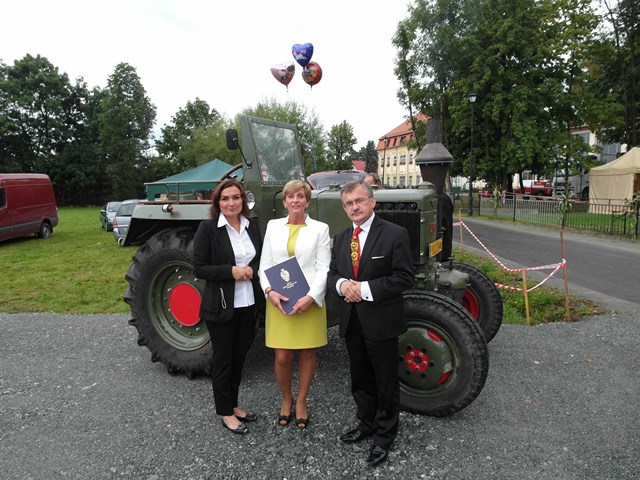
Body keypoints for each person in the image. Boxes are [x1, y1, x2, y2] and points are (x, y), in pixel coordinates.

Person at [327, 180, 414, 467]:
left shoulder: (394, 234)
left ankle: (384, 436)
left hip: (382, 322)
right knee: (360, 378)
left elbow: (404, 277)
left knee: (385, 381)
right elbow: (331, 274)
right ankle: (366, 424)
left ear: (372, 202)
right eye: (348, 203)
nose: (354, 207)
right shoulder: (341, 239)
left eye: (359, 201)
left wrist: (362, 289)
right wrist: (341, 285)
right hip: (352, 321)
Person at [192, 179, 265, 435]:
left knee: (239, 357)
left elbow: (260, 260)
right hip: (221, 306)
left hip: (248, 304)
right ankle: (225, 412)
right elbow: (198, 267)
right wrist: (231, 271)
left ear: (243, 200)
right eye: (225, 199)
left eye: (236, 197)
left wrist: (251, 271)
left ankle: (233, 405)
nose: (231, 202)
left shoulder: (251, 226)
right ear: (217, 203)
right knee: (223, 360)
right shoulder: (208, 229)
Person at [259, 180, 331, 429]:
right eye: (291, 197)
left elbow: (323, 268)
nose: (295, 201)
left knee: (307, 353)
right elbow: (265, 264)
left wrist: (311, 296)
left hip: (308, 299)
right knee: (282, 357)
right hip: (280, 300)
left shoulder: (320, 229)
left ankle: (301, 402)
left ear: (307, 201)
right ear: (284, 202)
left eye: (300, 196)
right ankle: (286, 399)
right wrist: (269, 291)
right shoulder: (273, 226)